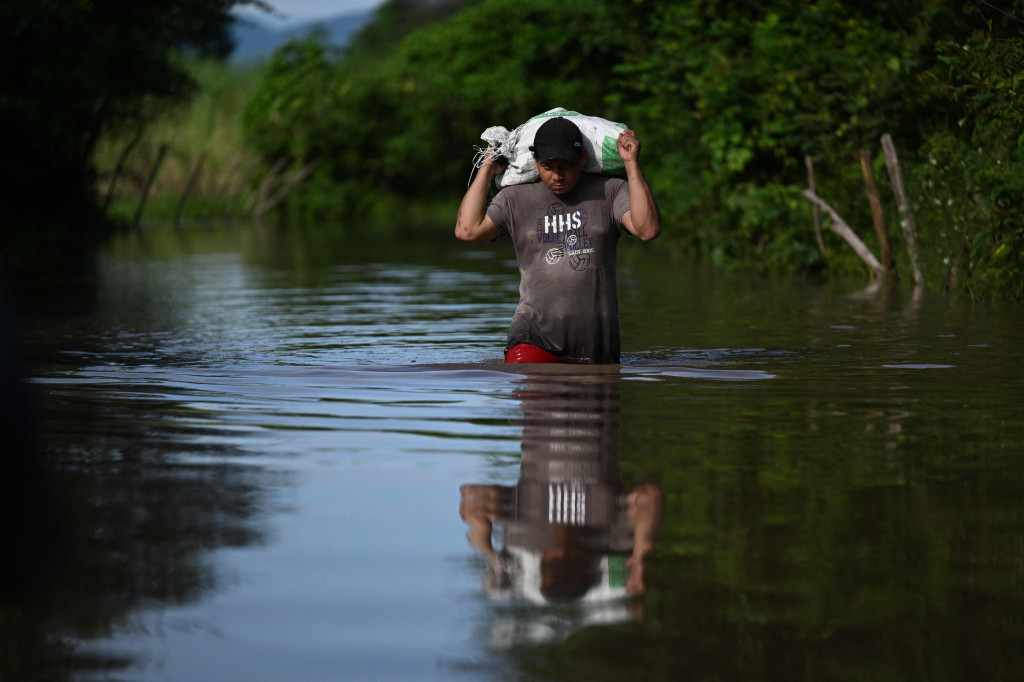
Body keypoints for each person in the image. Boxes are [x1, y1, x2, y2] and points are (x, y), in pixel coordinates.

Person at [455, 115, 660, 364]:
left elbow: (647, 229)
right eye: (547, 166)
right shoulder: (515, 199)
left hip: (596, 346)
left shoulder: (610, 191)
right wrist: (487, 168)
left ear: (583, 158)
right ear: (535, 161)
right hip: (533, 339)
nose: (557, 175)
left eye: (566, 165)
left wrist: (631, 164)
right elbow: (468, 230)